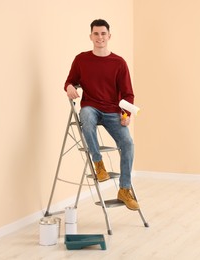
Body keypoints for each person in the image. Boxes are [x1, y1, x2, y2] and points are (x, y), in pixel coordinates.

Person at [64, 19, 139, 211]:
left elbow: (128, 93)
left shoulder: (118, 63)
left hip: (113, 111)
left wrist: (126, 114)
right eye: (96, 34)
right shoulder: (81, 59)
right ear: (91, 36)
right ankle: (99, 164)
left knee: (128, 143)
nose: (100, 37)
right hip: (91, 106)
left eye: (103, 34)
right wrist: (70, 87)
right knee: (86, 118)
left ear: (109, 36)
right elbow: (69, 81)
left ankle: (124, 189)